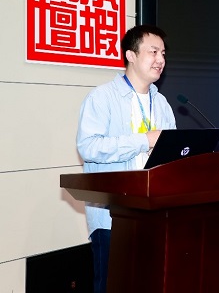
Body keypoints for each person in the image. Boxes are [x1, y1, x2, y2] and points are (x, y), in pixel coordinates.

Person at [76, 24, 176, 293]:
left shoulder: (162, 104)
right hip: (113, 217)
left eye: (163, 53)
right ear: (131, 55)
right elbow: (89, 147)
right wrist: (144, 140)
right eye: (153, 52)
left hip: (155, 213)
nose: (160, 60)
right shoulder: (102, 98)